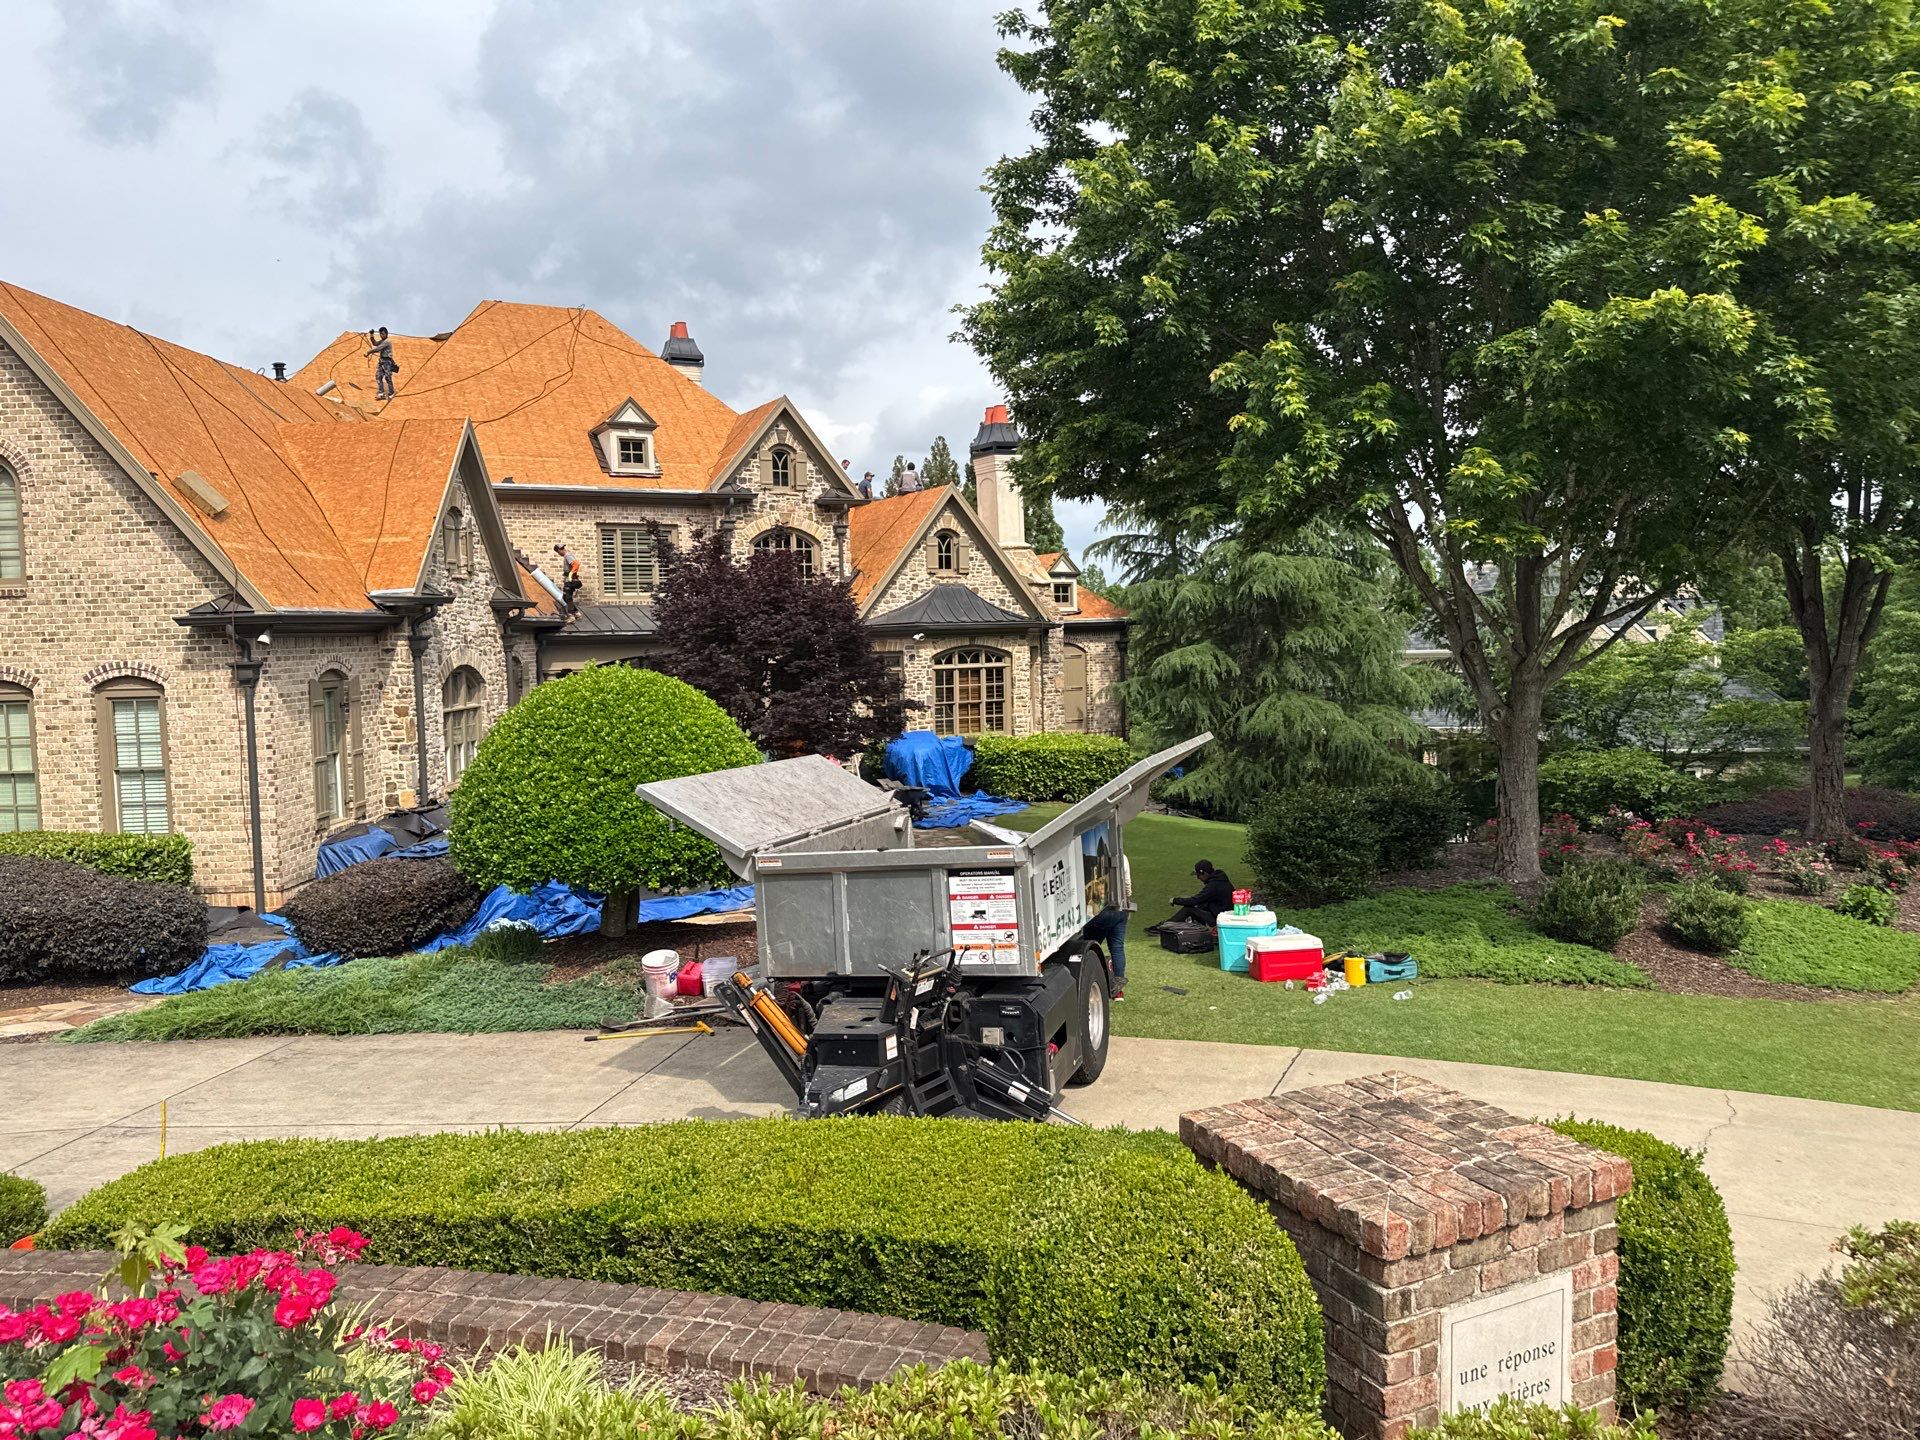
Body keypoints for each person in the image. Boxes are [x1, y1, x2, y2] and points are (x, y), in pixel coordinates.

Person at [1083, 854, 1133, 999]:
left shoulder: (1092, 857)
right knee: (1117, 948)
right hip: (1121, 908)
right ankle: (1118, 991)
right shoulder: (1123, 857)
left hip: (1100, 910)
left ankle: (1087, 985)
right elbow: (1127, 886)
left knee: (1086, 947)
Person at [1151, 859, 1236, 930]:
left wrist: (1175, 900)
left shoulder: (1214, 885)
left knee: (1188, 909)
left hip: (1220, 919)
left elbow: (1195, 900)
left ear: (1204, 873)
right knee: (1199, 906)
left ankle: (1164, 927)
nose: (1198, 878)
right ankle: (1168, 924)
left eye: (1198, 875)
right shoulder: (1220, 880)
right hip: (1223, 915)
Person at [365, 326, 398, 401]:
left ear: (386, 334)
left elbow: (377, 349)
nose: (381, 335)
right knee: (378, 376)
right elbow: (375, 343)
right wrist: (372, 335)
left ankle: (391, 393)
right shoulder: (382, 341)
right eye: (380, 334)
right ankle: (381, 393)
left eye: (383, 334)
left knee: (388, 377)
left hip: (387, 362)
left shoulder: (387, 341)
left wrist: (368, 352)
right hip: (382, 361)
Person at [553, 541, 582, 613]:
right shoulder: (567, 556)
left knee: (568, 597)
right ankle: (575, 613)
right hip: (568, 580)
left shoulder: (567, 555)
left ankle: (572, 614)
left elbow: (576, 564)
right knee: (566, 597)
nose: (558, 554)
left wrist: (570, 574)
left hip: (570, 581)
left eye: (558, 552)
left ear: (560, 550)